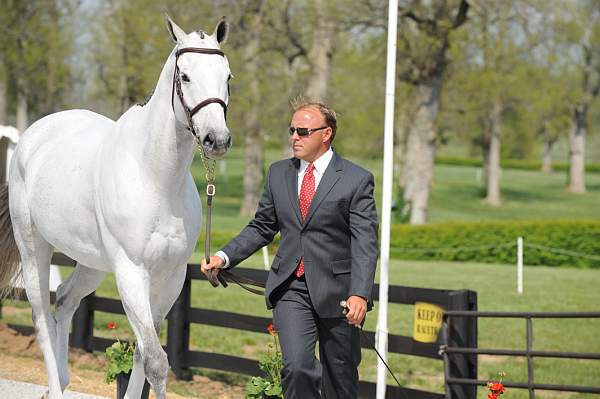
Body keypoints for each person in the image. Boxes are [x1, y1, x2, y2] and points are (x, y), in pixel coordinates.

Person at [201, 102, 379, 399]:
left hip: (340, 294)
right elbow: (262, 226)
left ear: (326, 134)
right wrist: (224, 256)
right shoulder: (278, 173)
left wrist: (359, 293)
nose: (294, 137)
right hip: (290, 287)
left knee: (341, 377)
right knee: (297, 367)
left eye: (303, 131)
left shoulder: (356, 179)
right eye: (292, 130)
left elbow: (365, 242)